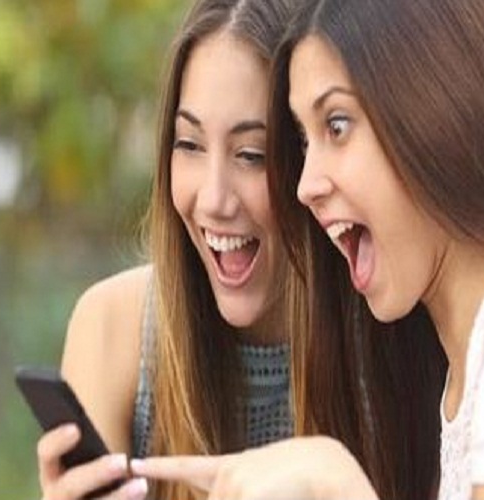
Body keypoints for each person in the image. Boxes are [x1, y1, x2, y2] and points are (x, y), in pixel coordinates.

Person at [132, 0, 484, 499]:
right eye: (304, 141)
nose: (305, 186)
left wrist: (337, 481)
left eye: (337, 126)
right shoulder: (462, 372)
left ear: (436, 109)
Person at [34, 0, 304, 499]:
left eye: (252, 155)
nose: (213, 199)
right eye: (190, 144)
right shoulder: (115, 328)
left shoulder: (384, 341)